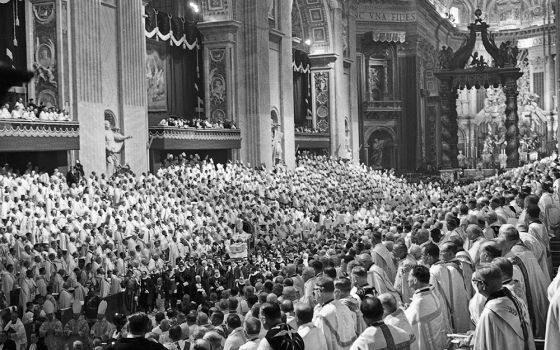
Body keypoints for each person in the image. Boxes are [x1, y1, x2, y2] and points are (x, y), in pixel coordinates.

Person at [499, 224, 550, 338]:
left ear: (506, 239)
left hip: (527, 293)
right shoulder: (526, 249)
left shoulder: (512, 256)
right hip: (538, 287)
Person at [470, 264, 535, 350]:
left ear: (482, 285)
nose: (474, 284)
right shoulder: (518, 301)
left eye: (475, 281)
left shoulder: (490, 313)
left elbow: (482, 344)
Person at [404, 266, 448, 350]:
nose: (407, 279)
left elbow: (403, 323)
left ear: (415, 280)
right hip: (437, 343)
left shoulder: (419, 303)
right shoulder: (433, 294)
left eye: (409, 276)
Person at [312, 277, 357, 350]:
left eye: (313, 292)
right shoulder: (344, 307)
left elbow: (321, 343)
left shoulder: (323, 315)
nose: (313, 295)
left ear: (319, 292)